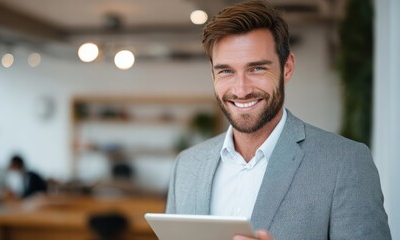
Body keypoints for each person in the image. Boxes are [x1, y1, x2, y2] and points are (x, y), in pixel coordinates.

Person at [165, 1, 391, 239]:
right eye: (226, 71)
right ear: (213, 75)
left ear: (287, 68)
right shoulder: (187, 166)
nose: (241, 90)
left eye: (257, 69)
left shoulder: (345, 163)